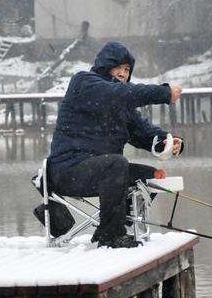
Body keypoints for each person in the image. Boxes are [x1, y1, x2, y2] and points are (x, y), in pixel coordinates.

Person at [47, 41, 184, 248]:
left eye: (127, 69)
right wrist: (163, 93)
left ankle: (121, 223)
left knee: (151, 176)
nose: (123, 73)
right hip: (67, 172)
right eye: (118, 67)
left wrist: (168, 141)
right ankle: (110, 236)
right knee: (116, 164)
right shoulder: (84, 83)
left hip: (102, 172)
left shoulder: (121, 106)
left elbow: (144, 133)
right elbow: (120, 94)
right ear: (105, 66)